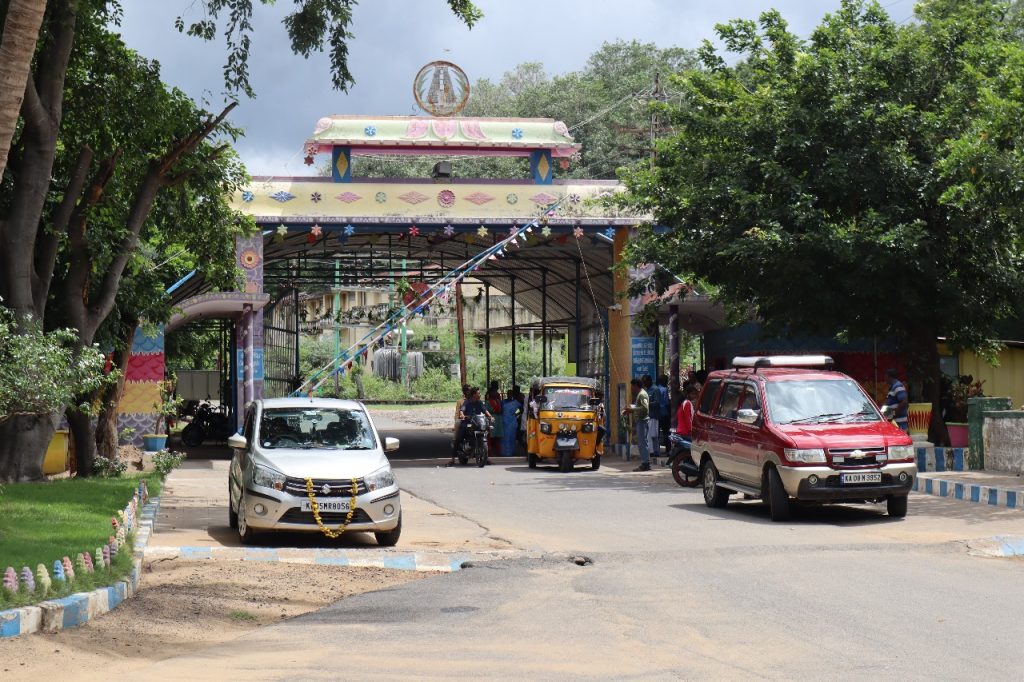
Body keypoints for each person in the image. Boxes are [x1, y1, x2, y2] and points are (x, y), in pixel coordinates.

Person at [623, 378, 651, 471]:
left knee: (643, 443)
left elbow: (645, 408)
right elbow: (640, 407)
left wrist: (632, 410)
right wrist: (631, 409)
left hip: (642, 421)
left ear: (636, 386)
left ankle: (645, 463)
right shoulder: (641, 394)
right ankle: (645, 462)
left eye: (632, 387)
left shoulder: (642, 394)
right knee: (642, 442)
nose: (631, 389)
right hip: (641, 421)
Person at [884, 368, 910, 433]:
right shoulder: (893, 387)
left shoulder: (898, 386)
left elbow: (904, 402)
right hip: (895, 423)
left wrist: (893, 414)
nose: (885, 378)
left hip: (900, 424)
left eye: (885, 376)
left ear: (888, 376)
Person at [500, 390, 522, 456]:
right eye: (509, 394)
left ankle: (511, 452)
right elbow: (500, 410)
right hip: (504, 421)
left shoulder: (516, 403)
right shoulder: (503, 402)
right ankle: (504, 452)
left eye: (511, 394)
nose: (510, 395)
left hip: (512, 421)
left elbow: (521, 410)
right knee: (504, 437)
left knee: (512, 437)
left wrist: (515, 414)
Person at [486, 382, 503, 455]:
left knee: (497, 437)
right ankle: (490, 452)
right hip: (492, 418)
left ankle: (498, 451)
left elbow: (501, 407)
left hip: (498, 419)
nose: (496, 393)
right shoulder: (488, 400)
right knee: (491, 436)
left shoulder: (497, 399)